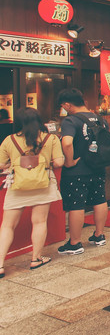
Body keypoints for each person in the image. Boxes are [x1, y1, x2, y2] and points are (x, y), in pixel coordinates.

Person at [0, 108, 64, 277]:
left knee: (7, 225)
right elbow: (59, 162)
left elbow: (0, 164)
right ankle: (36, 259)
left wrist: (13, 164)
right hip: (43, 184)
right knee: (39, 222)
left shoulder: (10, 140)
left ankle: (0, 265)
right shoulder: (51, 139)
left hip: (17, 185)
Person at [56, 88, 110, 254]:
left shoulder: (71, 120)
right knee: (99, 199)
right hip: (98, 167)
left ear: (67, 104)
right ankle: (99, 235)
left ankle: (75, 243)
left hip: (78, 171)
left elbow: (66, 143)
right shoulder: (100, 119)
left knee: (76, 205)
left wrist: (70, 161)